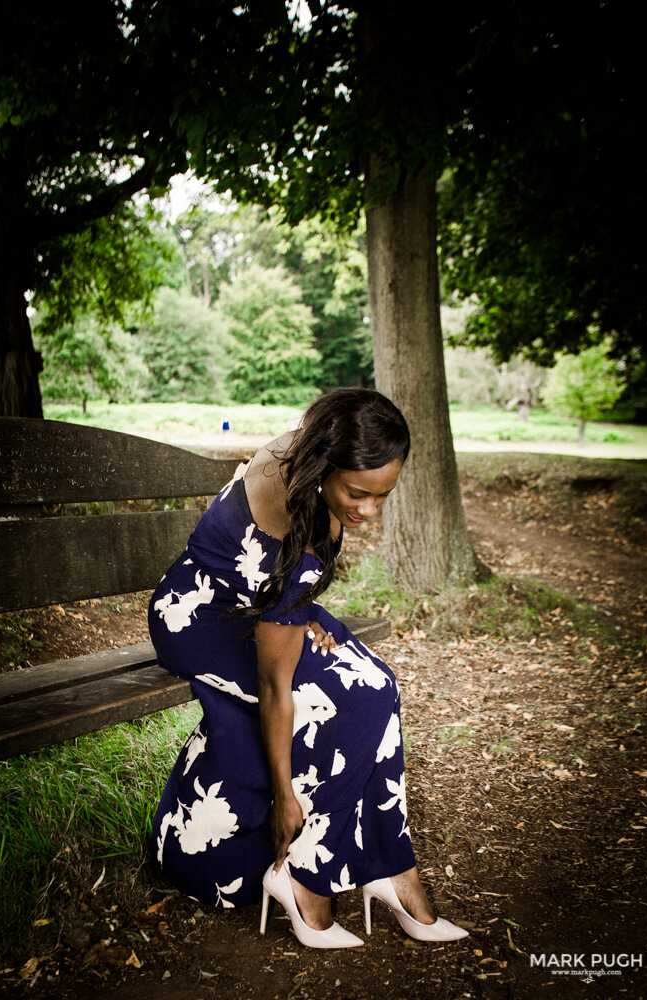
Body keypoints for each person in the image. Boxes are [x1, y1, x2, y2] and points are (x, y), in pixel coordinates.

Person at [148, 387, 468, 949]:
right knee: (344, 696)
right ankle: (303, 879)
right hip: (202, 619)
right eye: (357, 493)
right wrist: (284, 795)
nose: (368, 511)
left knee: (379, 685)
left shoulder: (310, 458)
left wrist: (296, 607)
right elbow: (277, 687)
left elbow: (279, 578)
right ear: (326, 466)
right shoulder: (295, 524)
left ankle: (393, 869)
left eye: (382, 496)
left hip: (263, 599)